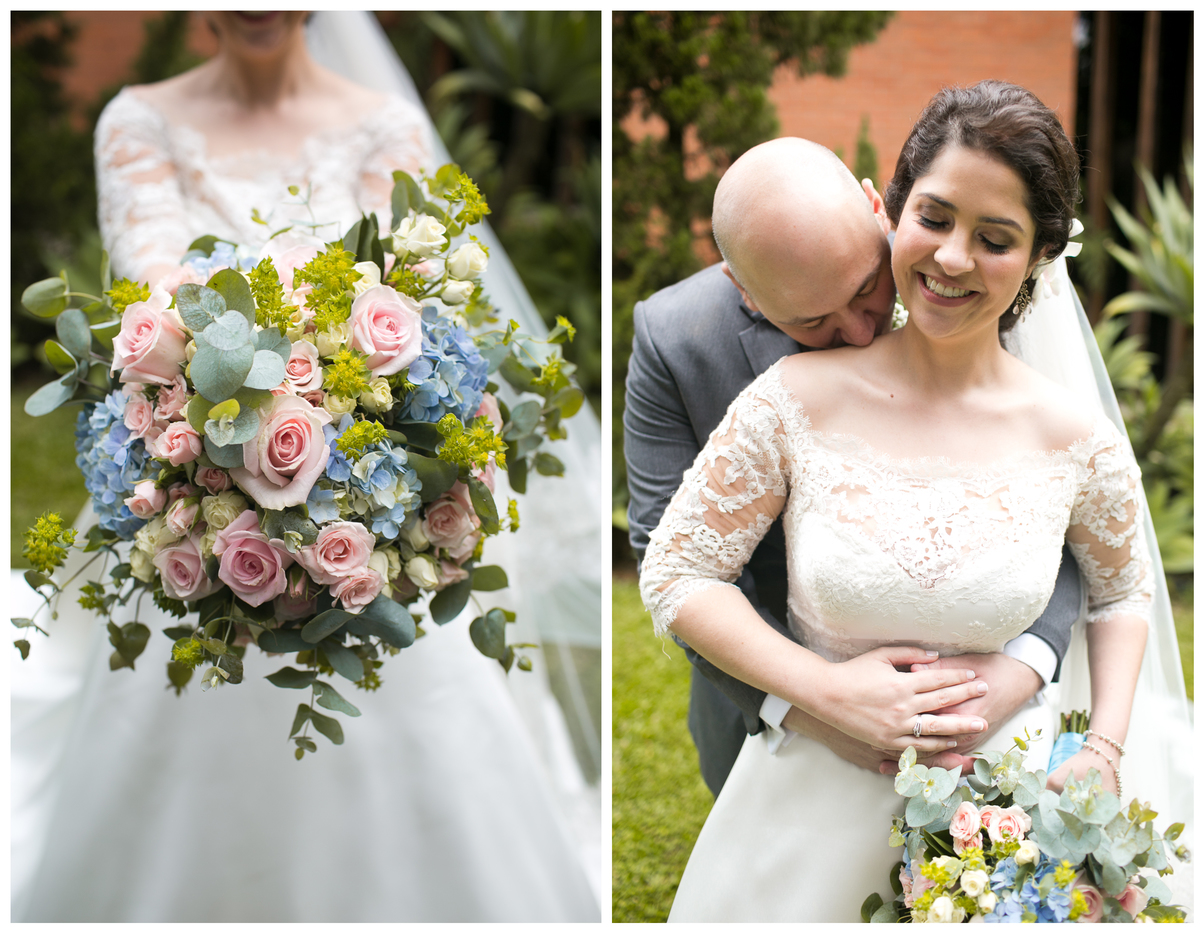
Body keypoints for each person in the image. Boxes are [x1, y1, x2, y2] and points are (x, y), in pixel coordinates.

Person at [12, 11, 598, 921]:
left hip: (366, 503)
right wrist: (263, 403)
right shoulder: (137, 118)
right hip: (188, 490)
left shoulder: (385, 122)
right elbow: (155, 302)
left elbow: (410, 296)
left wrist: (352, 432)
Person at [640, 80, 1186, 922]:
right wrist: (826, 695)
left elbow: (1120, 590)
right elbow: (678, 571)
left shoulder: (1076, 437)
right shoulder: (793, 397)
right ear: (893, 208)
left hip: (1004, 816)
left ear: (1040, 253)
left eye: (994, 239)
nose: (953, 258)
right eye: (934, 218)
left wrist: (1103, 748)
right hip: (810, 799)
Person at [623, 136, 1080, 796]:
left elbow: (1064, 499)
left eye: (867, 287)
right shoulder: (677, 338)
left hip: (983, 706)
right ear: (744, 288)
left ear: (875, 208)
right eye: (813, 320)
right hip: (769, 701)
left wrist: (1021, 669)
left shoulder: (961, 282)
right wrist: (817, 707)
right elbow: (668, 550)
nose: (862, 331)